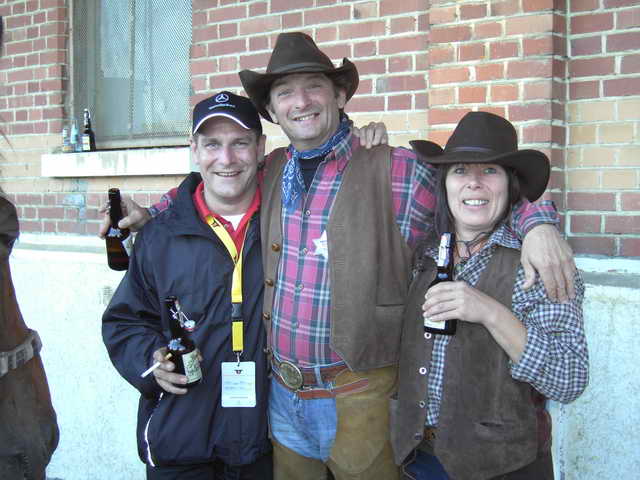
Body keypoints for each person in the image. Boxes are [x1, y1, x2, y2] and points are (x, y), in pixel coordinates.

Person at [102, 32, 576, 480]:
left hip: (361, 396)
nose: (300, 101)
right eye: (285, 92)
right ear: (272, 111)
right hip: (280, 397)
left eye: (314, 87)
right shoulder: (270, 169)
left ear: (340, 96)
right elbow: (211, 184)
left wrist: (538, 222)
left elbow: (475, 196)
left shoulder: (397, 169)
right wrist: (152, 213)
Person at [391, 112, 589, 480]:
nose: (474, 183)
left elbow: (568, 380)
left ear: (510, 185)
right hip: (417, 459)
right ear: (445, 184)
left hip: (502, 466)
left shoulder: (539, 264)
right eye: (460, 170)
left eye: (490, 171)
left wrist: (490, 312)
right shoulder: (423, 253)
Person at [102, 92, 273, 480]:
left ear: (260, 148)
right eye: (212, 144)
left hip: (266, 443)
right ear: (194, 149)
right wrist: (150, 361)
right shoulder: (159, 236)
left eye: (240, 143)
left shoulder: (286, 222)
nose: (226, 159)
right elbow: (124, 322)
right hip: (181, 439)